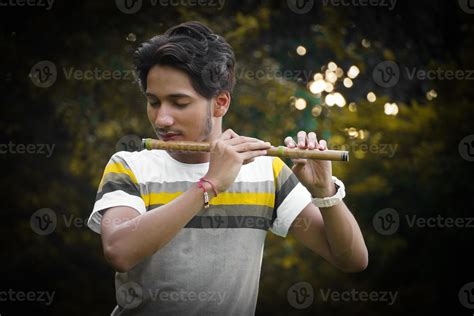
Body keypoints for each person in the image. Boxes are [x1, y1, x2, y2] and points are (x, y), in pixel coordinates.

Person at [87, 21, 368, 315]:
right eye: (154, 102)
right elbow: (119, 251)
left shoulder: (267, 171)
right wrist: (209, 185)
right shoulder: (129, 166)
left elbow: (352, 260)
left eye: (179, 103)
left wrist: (325, 192)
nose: (162, 119)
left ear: (219, 103)